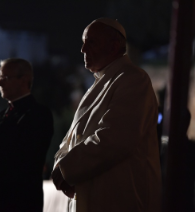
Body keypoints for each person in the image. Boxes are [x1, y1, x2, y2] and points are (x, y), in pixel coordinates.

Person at [52, 18, 161, 212]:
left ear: (114, 46)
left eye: (91, 42)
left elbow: (116, 137)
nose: (82, 49)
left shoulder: (132, 79)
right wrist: (60, 163)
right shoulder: (100, 84)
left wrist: (66, 168)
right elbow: (71, 139)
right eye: (83, 42)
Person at [0, 58, 54, 212]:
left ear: (24, 80)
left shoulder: (38, 115)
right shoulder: (1, 116)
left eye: (5, 78)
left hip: (19, 203)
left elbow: (23, 159)